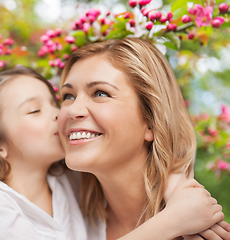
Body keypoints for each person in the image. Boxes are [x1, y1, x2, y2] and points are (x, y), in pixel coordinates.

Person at [0, 66, 225, 239]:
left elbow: (139, 162)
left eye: (55, 103)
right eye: (35, 110)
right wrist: (173, 221)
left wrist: (176, 189)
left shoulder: (67, 179)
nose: (62, 114)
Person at [58, 38, 230, 239]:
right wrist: (171, 221)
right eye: (68, 96)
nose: (73, 110)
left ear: (151, 121)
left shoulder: (200, 230)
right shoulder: (61, 214)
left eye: (100, 93)